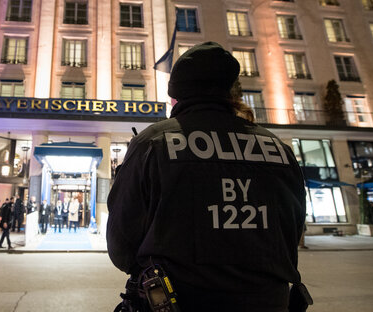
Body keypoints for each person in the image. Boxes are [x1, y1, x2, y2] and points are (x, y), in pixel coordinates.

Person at [107, 42, 309, 311]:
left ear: (176, 97)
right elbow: (292, 229)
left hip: (180, 301)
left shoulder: (154, 143)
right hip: (268, 301)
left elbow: (121, 242)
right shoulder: (277, 148)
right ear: (229, 92)